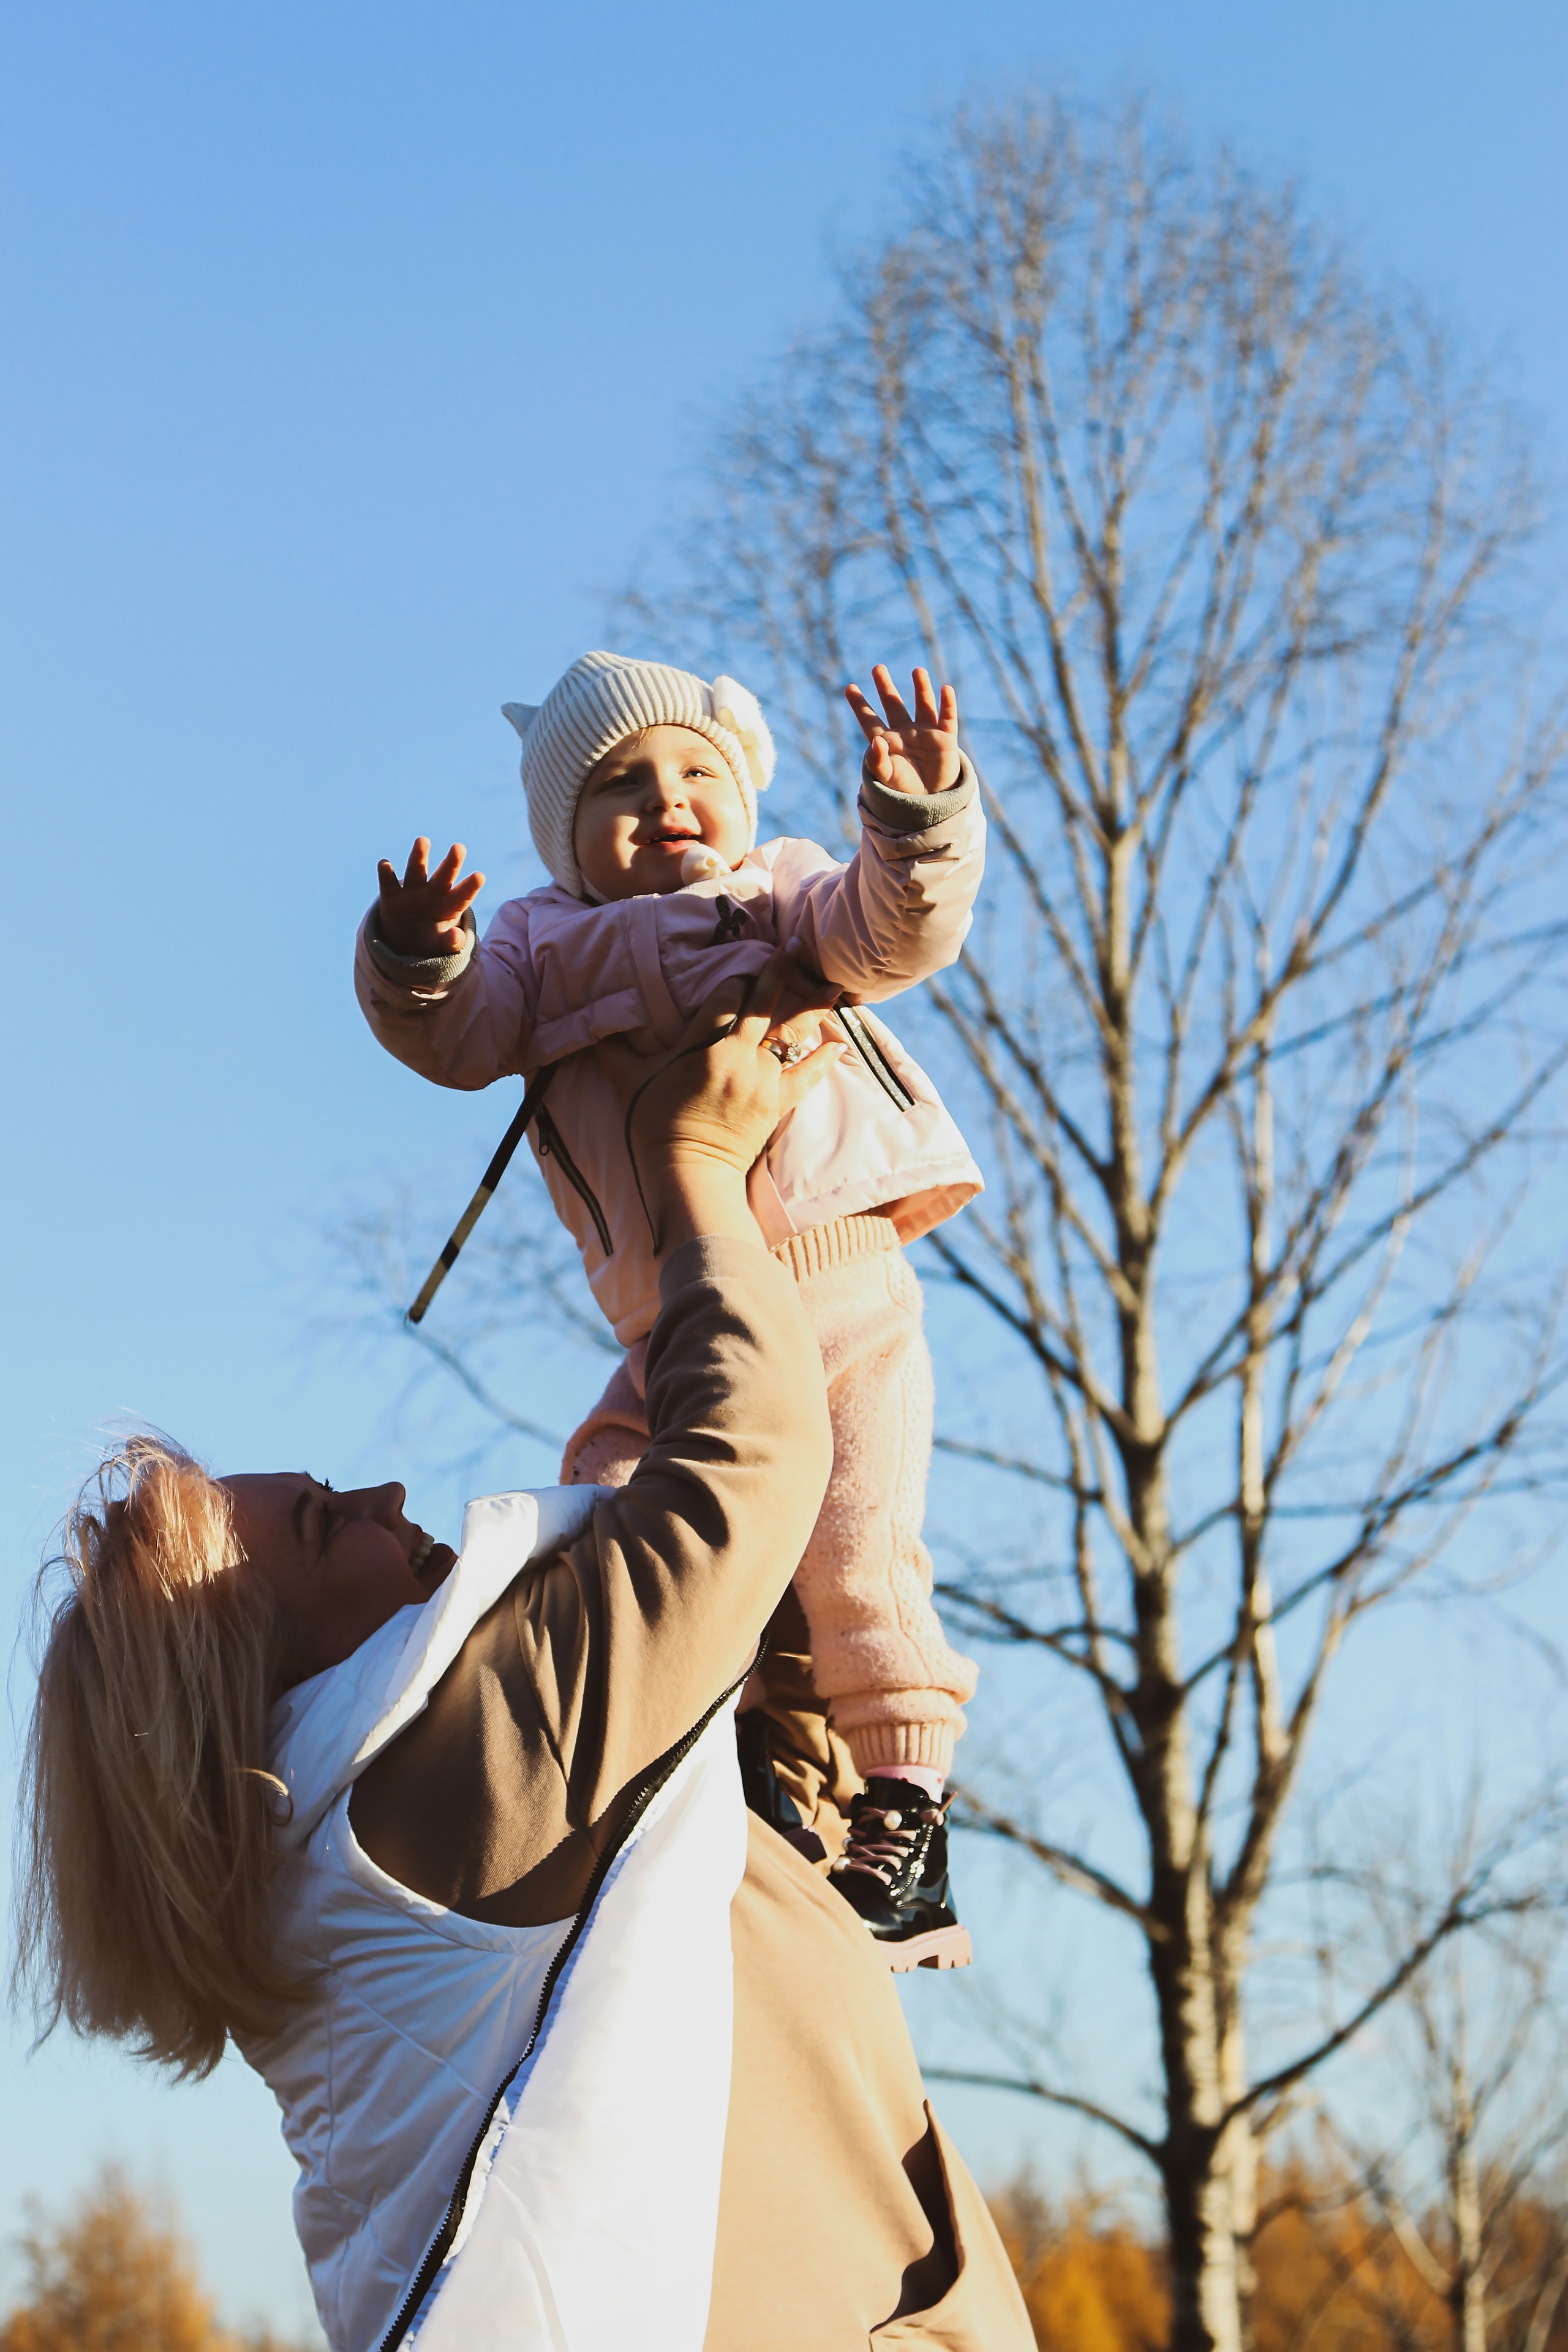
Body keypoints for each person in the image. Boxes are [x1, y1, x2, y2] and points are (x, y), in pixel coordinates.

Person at [13, 956, 1033, 2351]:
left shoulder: (352, 1872)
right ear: (253, 1676)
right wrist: (693, 1166)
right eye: (323, 1525)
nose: (383, 1499)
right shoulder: (449, 1778)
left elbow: (718, 1725)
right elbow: (747, 1468)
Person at [357, 650, 984, 1961]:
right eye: (621, 786)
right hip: (677, 1329)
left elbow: (896, 927)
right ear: (563, 840)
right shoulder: (530, 946)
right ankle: (721, 1770)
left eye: (697, 769)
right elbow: (458, 1037)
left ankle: (903, 1814)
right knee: (615, 1519)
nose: (670, 799)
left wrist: (916, 822)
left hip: (839, 1291)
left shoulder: (783, 894)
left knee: (858, 1560)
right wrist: (418, 959)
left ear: (743, 793)